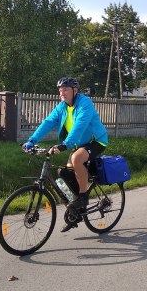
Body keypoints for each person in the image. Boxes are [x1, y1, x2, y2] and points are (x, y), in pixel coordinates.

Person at [22, 76, 108, 232]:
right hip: (79, 144)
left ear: (75, 90)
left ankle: (83, 197)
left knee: (76, 159)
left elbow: (80, 124)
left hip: (96, 141)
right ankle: (76, 210)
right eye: (60, 90)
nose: (62, 93)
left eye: (65, 90)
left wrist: (65, 144)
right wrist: (32, 140)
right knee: (64, 172)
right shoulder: (62, 107)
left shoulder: (85, 103)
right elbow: (48, 122)